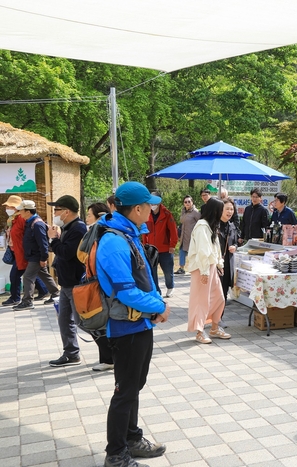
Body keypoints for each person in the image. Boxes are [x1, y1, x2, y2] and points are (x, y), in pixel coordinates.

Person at [95, 181, 170, 467]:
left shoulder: (130, 234)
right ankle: (116, 454)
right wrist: (159, 307)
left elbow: (144, 278)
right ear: (137, 209)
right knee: (124, 391)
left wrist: (155, 307)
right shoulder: (114, 240)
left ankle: (132, 438)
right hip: (124, 327)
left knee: (134, 386)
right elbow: (125, 290)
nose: (153, 208)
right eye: (149, 204)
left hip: (140, 324)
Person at [46, 195, 88, 367]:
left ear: (66, 211)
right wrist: (54, 239)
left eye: (56, 210)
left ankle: (111, 348)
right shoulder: (68, 227)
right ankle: (71, 353)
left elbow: (66, 253)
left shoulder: (78, 229)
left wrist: (54, 239)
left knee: (84, 322)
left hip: (75, 283)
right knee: (65, 320)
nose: (54, 213)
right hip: (66, 283)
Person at [187, 197, 231, 344]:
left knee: (219, 297)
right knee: (201, 301)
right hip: (202, 267)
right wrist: (205, 271)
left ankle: (214, 327)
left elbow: (215, 248)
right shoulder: (201, 226)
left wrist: (219, 264)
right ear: (215, 211)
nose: (223, 213)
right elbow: (202, 251)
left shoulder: (211, 225)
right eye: (221, 210)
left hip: (210, 266)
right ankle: (199, 332)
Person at [82, 202, 115, 372]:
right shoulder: (96, 232)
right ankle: (107, 358)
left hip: (99, 284)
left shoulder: (100, 233)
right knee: (98, 321)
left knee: (97, 321)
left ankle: (109, 358)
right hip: (96, 282)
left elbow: (82, 255)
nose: (86, 218)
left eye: (89, 215)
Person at [13, 200, 60, 311]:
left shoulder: (37, 224)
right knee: (44, 275)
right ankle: (56, 294)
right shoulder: (31, 222)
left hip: (36, 256)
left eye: (21, 210)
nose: (19, 213)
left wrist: (43, 258)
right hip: (34, 255)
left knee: (28, 277)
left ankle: (27, 301)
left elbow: (42, 242)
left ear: (28, 211)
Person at [144, 193, 178, 297]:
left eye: (154, 202)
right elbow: (144, 231)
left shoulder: (167, 214)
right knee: (152, 272)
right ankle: (157, 292)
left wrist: (172, 245)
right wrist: (145, 245)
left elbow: (173, 231)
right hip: (151, 249)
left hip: (165, 249)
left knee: (168, 271)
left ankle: (170, 287)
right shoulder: (146, 213)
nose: (152, 204)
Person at [218, 198, 238, 304]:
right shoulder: (214, 226)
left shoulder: (232, 226)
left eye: (232, 209)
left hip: (227, 263)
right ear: (221, 210)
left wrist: (235, 246)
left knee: (224, 291)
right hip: (216, 264)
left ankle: (219, 318)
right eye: (227, 209)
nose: (230, 211)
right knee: (216, 292)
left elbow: (235, 242)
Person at [175, 195, 200, 275]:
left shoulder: (196, 212)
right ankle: (181, 268)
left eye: (189, 201)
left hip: (192, 237)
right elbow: (182, 221)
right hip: (183, 235)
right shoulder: (183, 211)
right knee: (181, 251)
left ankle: (196, 268)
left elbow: (200, 223)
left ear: (192, 202)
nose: (187, 203)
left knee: (193, 253)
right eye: (185, 202)